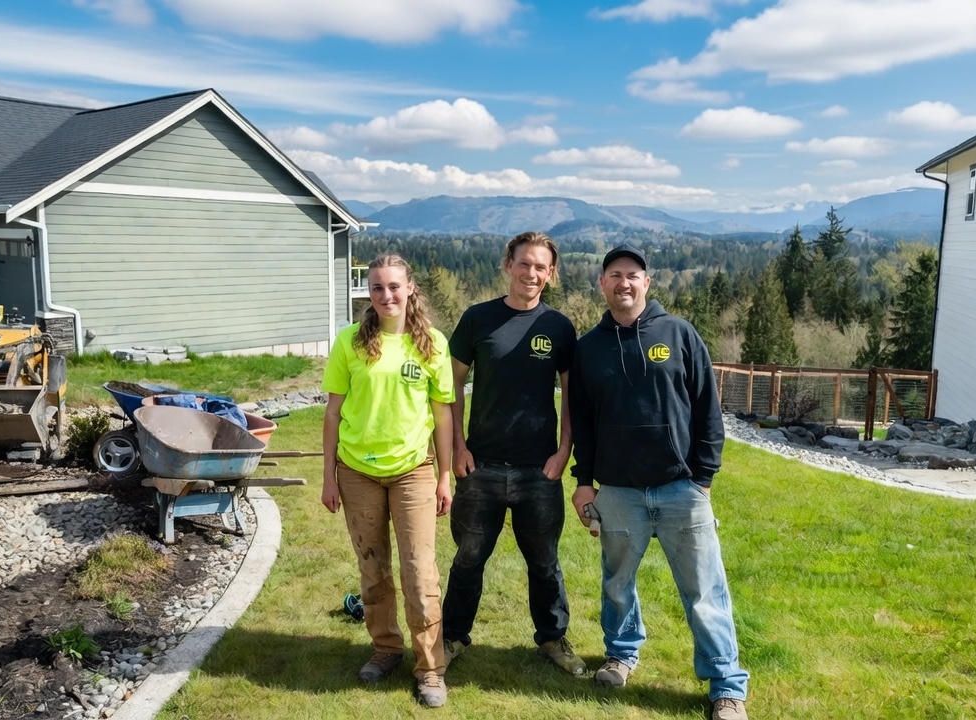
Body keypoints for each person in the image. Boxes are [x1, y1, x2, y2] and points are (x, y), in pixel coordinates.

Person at [568, 245, 750, 720]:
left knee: (704, 591)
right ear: (602, 284)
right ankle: (621, 655)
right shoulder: (589, 348)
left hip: (680, 489)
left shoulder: (679, 333)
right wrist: (584, 481)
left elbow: (708, 409)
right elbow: (582, 423)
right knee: (617, 584)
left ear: (647, 283)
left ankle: (726, 687)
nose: (623, 283)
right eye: (614, 275)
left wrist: (703, 478)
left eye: (632, 275)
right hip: (619, 491)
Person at [440, 231, 585, 676]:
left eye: (541, 266)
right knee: (468, 558)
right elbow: (450, 387)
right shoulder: (478, 319)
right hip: (479, 466)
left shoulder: (558, 327)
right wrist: (458, 448)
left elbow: (572, 396)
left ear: (551, 274)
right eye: (524, 263)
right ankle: (451, 637)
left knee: (544, 562)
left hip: (539, 470)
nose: (531, 273)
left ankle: (553, 638)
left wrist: (564, 451)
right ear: (508, 265)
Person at [321, 253, 455, 708]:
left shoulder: (431, 343)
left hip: (413, 471)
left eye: (394, 286)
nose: (386, 295)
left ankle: (430, 669)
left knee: (419, 572)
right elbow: (333, 413)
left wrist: (445, 476)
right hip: (357, 472)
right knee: (373, 567)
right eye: (377, 287)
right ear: (369, 292)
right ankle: (385, 649)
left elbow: (443, 417)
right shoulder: (349, 342)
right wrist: (328, 476)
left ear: (410, 287)